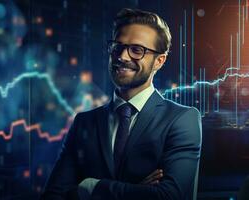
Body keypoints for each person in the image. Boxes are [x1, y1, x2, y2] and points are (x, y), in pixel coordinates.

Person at [41, 8, 202, 200]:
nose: (123, 57)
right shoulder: (85, 122)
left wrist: (91, 187)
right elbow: (53, 196)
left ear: (159, 61)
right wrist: (137, 191)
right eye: (118, 47)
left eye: (137, 50)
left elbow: (169, 196)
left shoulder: (181, 119)